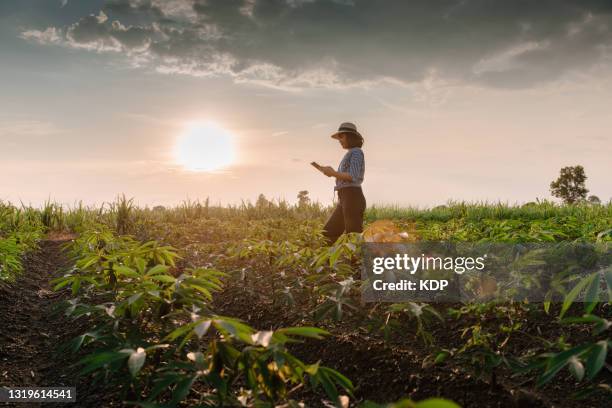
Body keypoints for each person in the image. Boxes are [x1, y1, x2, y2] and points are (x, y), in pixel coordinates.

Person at [318, 122, 366, 245]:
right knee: (327, 234)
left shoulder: (356, 152)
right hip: (344, 198)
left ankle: (356, 264)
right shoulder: (350, 153)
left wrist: (333, 172)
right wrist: (330, 172)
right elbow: (345, 176)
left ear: (350, 136)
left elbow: (352, 176)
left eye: (341, 136)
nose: (339, 140)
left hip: (353, 197)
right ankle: (327, 264)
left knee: (353, 237)